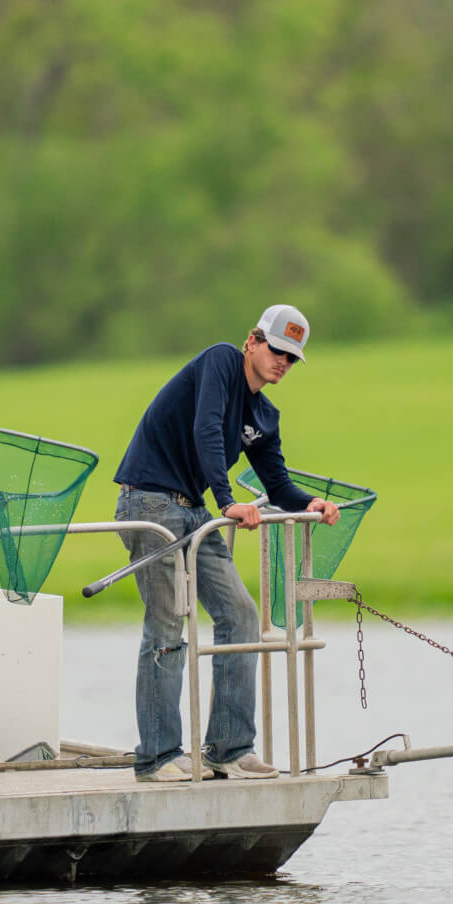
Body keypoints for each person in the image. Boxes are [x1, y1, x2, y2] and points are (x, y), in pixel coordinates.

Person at [113, 304, 341, 783]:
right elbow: (207, 429)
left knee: (241, 615)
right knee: (167, 624)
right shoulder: (219, 361)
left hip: (195, 513)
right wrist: (227, 500)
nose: (282, 362)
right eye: (277, 350)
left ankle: (230, 749)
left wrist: (312, 502)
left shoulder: (264, 413)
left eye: (292, 358)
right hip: (149, 504)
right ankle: (156, 757)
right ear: (253, 341)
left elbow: (278, 485)